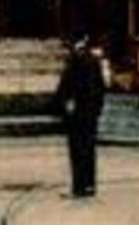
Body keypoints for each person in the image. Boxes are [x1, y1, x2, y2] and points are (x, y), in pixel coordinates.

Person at [52, 36, 107, 198]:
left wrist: (63, 105)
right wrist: (97, 110)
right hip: (91, 113)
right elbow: (101, 88)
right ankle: (90, 185)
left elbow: (67, 87)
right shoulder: (94, 61)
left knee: (77, 150)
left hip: (78, 112)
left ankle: (79, 187)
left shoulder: (76, 61)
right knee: (89, 149)